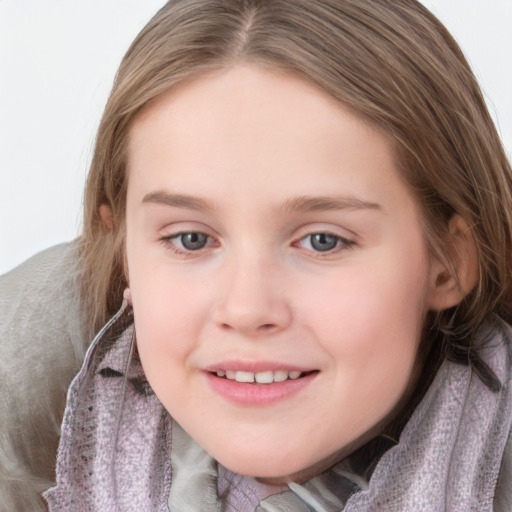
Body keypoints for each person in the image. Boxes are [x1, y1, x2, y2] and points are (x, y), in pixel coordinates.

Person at [2, 0, 512, 510]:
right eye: (190, 239)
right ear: (123, 257)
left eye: (323, 240)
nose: (247, 309)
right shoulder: (24, 392)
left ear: (448, 261)